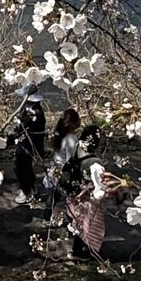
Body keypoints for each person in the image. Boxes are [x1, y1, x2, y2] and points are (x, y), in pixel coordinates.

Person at [47, 107, 94, 259]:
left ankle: (47, 216)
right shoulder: (71, 139)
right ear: (74, 123)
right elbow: (71, 158)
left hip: (55, 169)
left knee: (53, 195)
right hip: (63, 172)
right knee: (69, 200)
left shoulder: (60, 134)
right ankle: (71, 222)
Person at [11, 85, 46, 205]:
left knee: (21, 167)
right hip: (24, 143)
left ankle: (27, 191)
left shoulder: (35, 112)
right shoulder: (29, 108)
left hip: (29, 144)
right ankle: (30, 187)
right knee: (25, 166)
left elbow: (28, 127)